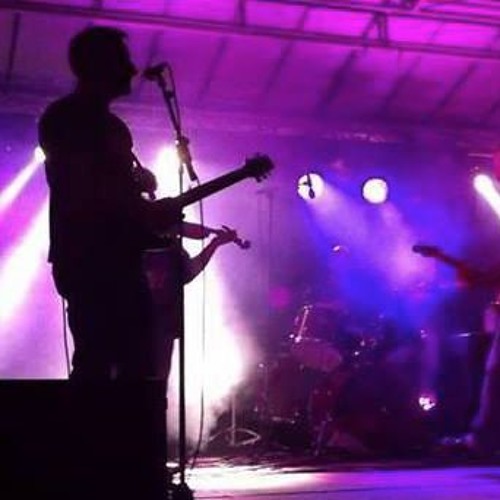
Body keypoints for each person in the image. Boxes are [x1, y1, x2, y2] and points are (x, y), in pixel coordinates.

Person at [38, 26, 181, 380]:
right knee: (102, 365)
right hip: (89, 259)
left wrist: (143, 203)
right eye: (123, 60)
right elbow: (87, 192)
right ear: (100, 65)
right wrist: (144, 210)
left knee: (133, 365)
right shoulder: (65, 119)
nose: (132, 69)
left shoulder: (111, 127)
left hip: (115, 260)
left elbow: (117, 195)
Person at [144, 222, 247, 380]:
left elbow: (189, 271)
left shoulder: (171, 250)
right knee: (150, 380)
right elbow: (189, 270)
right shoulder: (159, 247)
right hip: (150, 323)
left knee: (152, 380)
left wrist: (214, 243)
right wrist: (213, 241)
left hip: (160, 324)